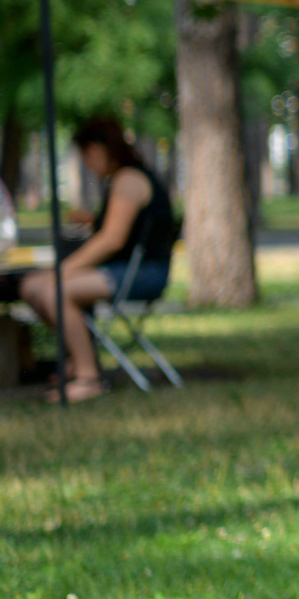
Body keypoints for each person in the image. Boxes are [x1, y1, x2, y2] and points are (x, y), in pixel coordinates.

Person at [19, 116, 177, 405]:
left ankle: (88, 377)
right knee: (31, 285)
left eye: (85, 158)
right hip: (125, 269)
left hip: (142, 273)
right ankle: (77, 358)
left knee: (53, 289)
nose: (89, 167)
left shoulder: (128, 180)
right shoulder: (125, 179)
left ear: (94, 150)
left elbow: (112, 240)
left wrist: (64, 270)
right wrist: (92, 220)